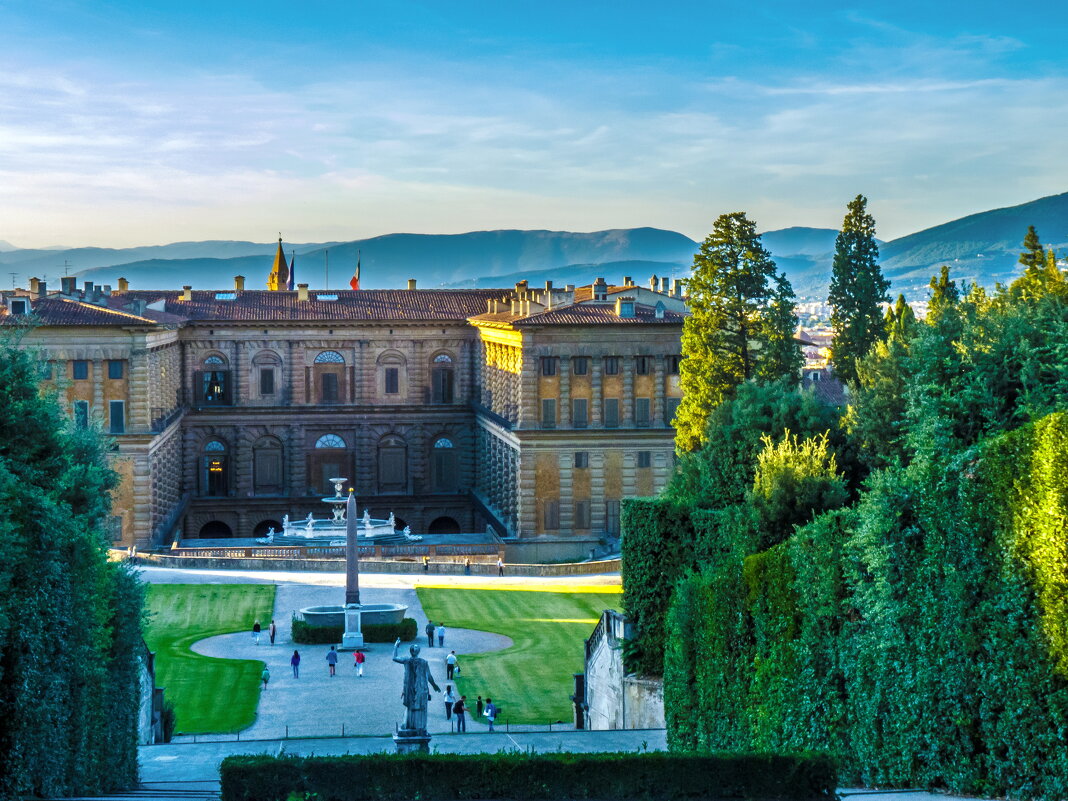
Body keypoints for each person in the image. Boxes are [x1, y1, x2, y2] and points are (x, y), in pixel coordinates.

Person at [392, 638, 441, 733]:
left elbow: (394, 658)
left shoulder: (407, 660)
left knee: (410, 707)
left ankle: (409, 725)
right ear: (418, 651)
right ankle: (418, 726)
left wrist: (395, 646)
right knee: (419, 708)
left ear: (411, 651)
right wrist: (434, 685)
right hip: (420, 688)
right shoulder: (423, 662)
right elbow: (429, 676)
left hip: (410, 688)